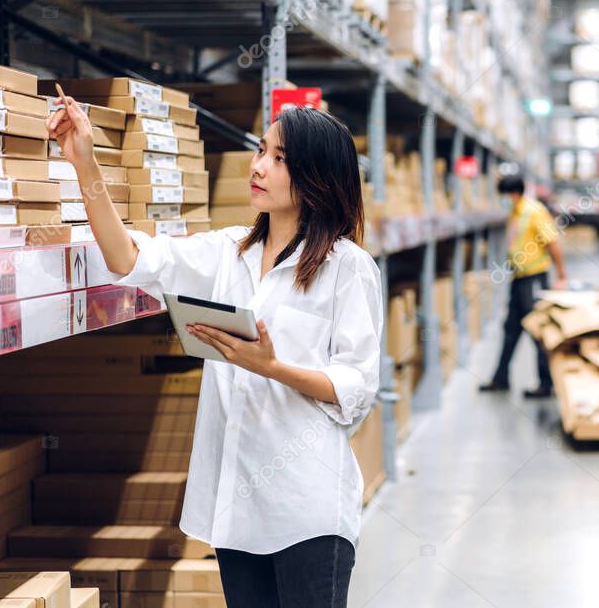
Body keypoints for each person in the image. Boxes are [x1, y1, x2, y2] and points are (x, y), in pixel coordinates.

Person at [48, 100, 382, 608]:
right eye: (261, 151)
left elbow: (356, 388)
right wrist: (85, 163)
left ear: (316, 175)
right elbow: (128, 258)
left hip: (309, 509)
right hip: (238, 508)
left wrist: (272, 368)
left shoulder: (347, 268)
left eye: (279, 158)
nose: (258, 166)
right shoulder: (227, 255)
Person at [480, 176, 567, 399]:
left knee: (537, 330)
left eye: (503, 196)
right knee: (510, 329)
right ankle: (501, 379)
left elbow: (552, 242)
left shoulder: (534, 211)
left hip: (534, 279)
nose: (502, 200)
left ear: (514, 194)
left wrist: (561, 274)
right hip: (519, 279)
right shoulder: (516, 211)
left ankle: (546, 384)